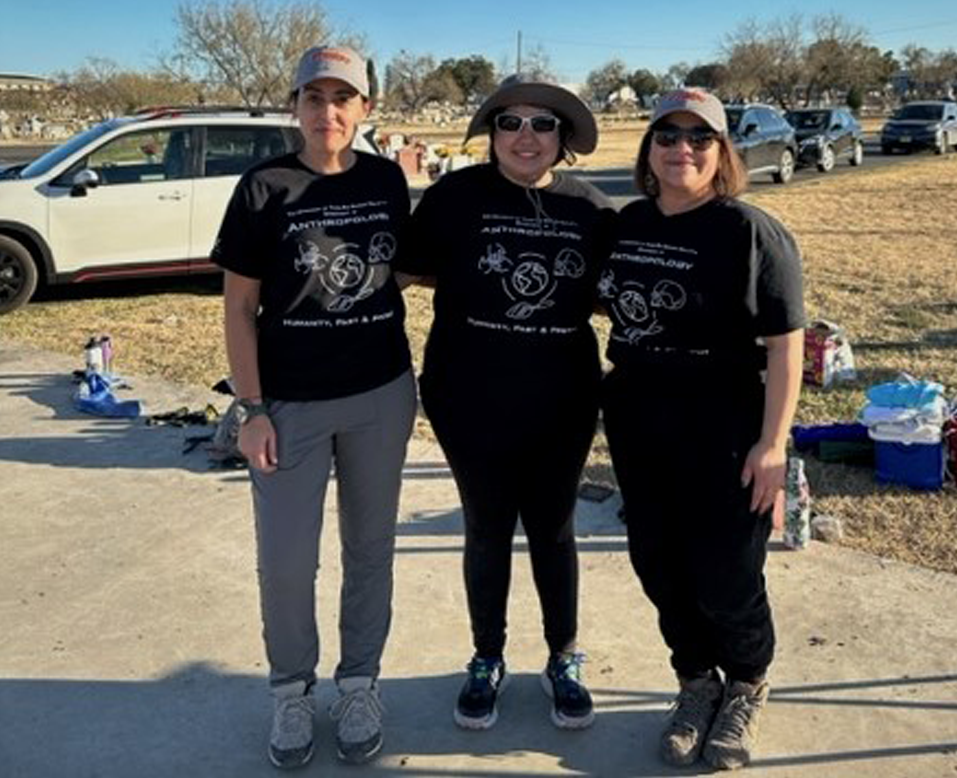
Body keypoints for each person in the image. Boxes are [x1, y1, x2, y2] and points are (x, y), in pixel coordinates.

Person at [210, 45, 416, 769]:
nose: (327, 112)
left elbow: (405, 268)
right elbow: (239, 310)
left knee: (371, 550)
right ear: (294, 105)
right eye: (313, 97)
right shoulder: (263, 187)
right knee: (288, 562)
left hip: (381, 395)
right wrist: (251, 407)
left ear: (365, 109)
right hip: (290, 404)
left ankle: (360, 681)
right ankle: (290, 691)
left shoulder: (388, 179)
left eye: (343, 98)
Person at [396, 74, 615, 731]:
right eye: (510, 123)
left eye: (543, 124)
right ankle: (487, 657)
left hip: (563, 400)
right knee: (486, 528)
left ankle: (563, 656)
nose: (526, 136)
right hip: (468, 398)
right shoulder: (454, 196)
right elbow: (404, 272)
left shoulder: (594, 211)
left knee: (553, 529)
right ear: (490, 134)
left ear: (563, 140)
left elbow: (620, 296)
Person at [598, 88, 805, 770]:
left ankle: (746, 681)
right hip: (637, 419)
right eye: (667, 136)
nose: (681, 148)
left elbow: (784, 345)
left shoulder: (750, 232)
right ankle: (694, 682)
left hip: (724, 424)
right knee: (658, 563)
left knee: (727, 571)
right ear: (647, 150)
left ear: (722, 154)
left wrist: (773, 445)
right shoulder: (626, 224)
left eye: (699, 138)